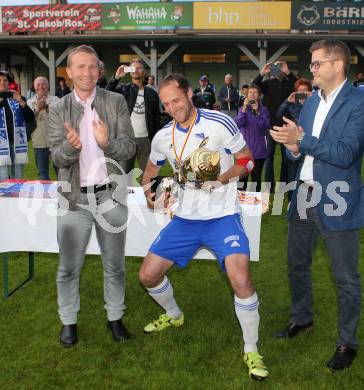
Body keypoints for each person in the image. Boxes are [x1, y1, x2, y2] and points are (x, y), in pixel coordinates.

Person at [139, 74, 268, 381]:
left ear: (190, 94)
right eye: (167, 103)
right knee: (147, 275)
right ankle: (174, 315)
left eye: (177, 100)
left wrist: (219, 180)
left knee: (240, 278)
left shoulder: (219, 122)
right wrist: (151, 193)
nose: (172, 108)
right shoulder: (162, 136)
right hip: (184, 218)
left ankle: (251, 348)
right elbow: (150, 172)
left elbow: (247, 161)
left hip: (222, 215)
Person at [270, 40, 364, 370]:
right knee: (296, 262)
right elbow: (301, 149)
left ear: (338, 65)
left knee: (345, 277)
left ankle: (347, 342)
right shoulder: (310, 100)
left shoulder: (359, 101)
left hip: (338, 196)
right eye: (311, 64)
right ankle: (301, 318)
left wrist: (301, 140)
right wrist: (292, 148)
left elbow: (344, 153)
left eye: (316, 64)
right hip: (304, 193)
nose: (312, 69)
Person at [48, 45, 136, 347]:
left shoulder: (116, 101)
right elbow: (58, 159)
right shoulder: (58, 108)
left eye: (92, 66)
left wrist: (107, 142)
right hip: (73, 199)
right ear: (69, 72)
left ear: (100, 70)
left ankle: (115, 317)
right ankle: (68, 321)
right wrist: (72, 146)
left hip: (110, 196)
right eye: (80, 67)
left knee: (115, 265)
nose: (87, 72)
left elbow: (129, 149)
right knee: (68, 267)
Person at [106, 59, 161, 175]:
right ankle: (125, 194)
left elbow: (157, 119)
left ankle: (147, 193)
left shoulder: (152, 93)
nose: (135, 70)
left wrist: (156, 140)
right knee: (124, 175)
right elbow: (106, 95)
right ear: (129, 71)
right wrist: (116, 78)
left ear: (144, 72)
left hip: (146, 140)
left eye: (139, 68)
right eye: (133, 68)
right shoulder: (123, 89)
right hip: (127, 140)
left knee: (148, 176)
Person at [252, 61, 296, 192]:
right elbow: (254, 87)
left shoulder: (289, 84)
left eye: (281, 69)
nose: (279, 71)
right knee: (269, 157)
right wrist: (261, 73)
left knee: (285, 158)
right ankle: (270, 186)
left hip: (285, 126)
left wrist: (288, 71)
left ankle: (283, 186)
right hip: (270, 126)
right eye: (276, 69)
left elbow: (298, 86)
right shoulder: (267, 84)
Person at [276, 78, 313, 200]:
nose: (302, 93)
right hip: (295, 142)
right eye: (300, 91)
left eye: (305, 91)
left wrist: (314, 98)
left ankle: (307, 198)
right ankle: (292, 198)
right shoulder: (292, 105)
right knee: (292, 170)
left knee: (309, 170)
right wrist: (287, 101)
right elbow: (278, 115)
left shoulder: (315, 104)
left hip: (310, 141)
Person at [0, 70, 36, 181]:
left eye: (5, 80)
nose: (2, 82)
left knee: (18, 177)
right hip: (1, 145)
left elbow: (30, 118)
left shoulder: (17, 97)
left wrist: (21, 102)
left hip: (17, 143)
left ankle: (17, 197)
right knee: (3, 177)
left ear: (8, 82)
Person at [235, 85, 270, 192]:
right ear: (247, 95)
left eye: (255, 92)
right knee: (242, 179)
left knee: (256, 179)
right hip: (244, 151)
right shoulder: (242, 109)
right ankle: (241, 204)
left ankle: (254, 205)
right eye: (250, 92)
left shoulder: (263, 110)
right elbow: (238, 123)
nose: (252, 94)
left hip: (259, 151)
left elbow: (265, 126)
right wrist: (244, 109)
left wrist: (257, 113)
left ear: (259, 96)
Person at [27, 76, 59, 180]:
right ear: (34, 86)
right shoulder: (29, 103)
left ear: (48, 86)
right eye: (38, 84)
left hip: (56, 142)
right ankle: (45, 195)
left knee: (61, 172)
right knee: (43, 174)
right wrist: (37, 109)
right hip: (39, 142)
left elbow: (60, 117)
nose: (41, 87)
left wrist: (46, 107)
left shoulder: (56, 100)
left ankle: (64, 195)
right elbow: (29, 120)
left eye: (43, 84)